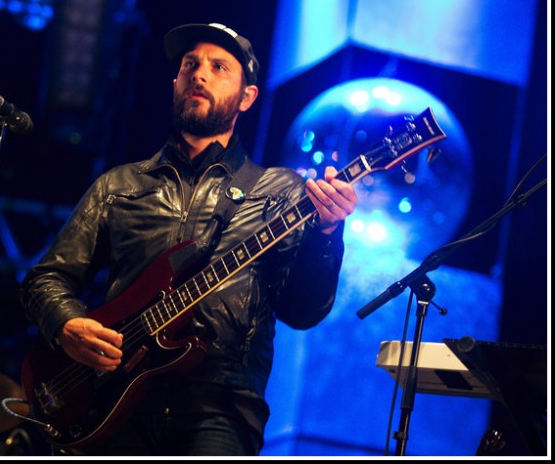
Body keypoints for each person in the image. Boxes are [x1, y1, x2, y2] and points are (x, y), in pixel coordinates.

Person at [20, 22, 358, 456]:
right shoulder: (118, 185)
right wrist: (66, 324)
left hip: (219, 408)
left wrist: (327, 234)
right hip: (107, 401)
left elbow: (303, 310)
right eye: (190, 65)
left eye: (219, 67)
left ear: (247, 97)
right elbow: (45, 280)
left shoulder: (280, 192)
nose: (200, 74)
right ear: (175, 83)